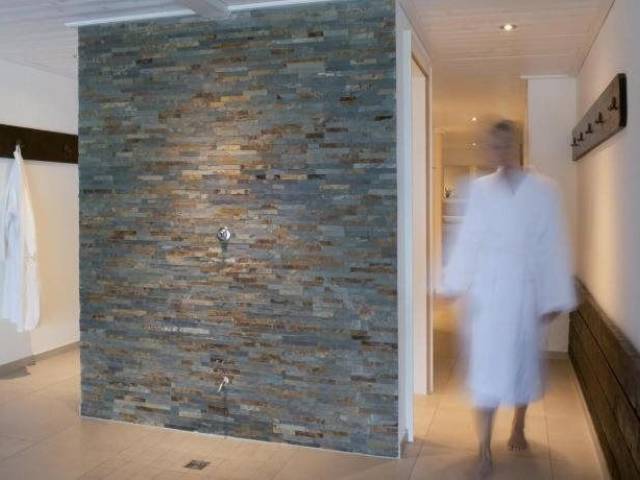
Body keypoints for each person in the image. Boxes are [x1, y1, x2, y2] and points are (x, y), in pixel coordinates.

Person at [440, 120, 577, 478]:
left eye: (505, 143)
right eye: (493, 144)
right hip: (487, 296)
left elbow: (553, 244)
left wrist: (553, 296)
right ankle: (484, 449)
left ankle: (518, 424)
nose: (498, 150)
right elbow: (466, 240)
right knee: (484, 372)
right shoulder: (479, 190)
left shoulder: (544, 190)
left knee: (521, 365)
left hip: (524, 295)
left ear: (517, 145)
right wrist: (452, 284)